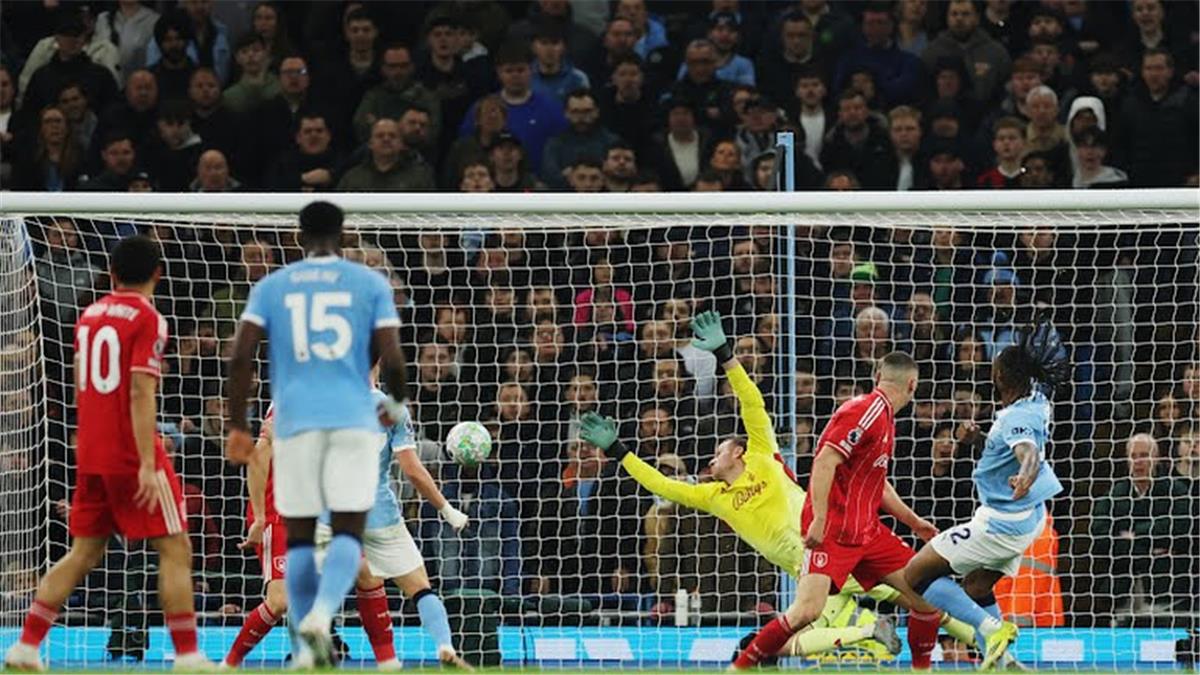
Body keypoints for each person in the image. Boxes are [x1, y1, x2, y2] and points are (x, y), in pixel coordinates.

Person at [579, 311, 914, 662]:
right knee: (819, 638)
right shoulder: (713, 496)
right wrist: (618, 451)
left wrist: (726, 355)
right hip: (809, 572)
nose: (711, 459)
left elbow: (752, 403)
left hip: (836, 546)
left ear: (738, 451)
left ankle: (903, 631)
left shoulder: (763, 455)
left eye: (719, 451)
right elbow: (661, 484)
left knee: (918, 593)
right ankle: (872, 634)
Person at [5, 235, 212, 671]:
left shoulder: (90, 315)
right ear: (158, 273)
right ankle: (188, 655)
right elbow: (140, 391)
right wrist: (148, 462)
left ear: (112, 274)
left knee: (83, 553)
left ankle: (25, 646)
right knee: (176, 548)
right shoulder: (148, 318)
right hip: (130, 451)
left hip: (92, 449)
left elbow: (80, 382)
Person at [224, 201, 409, 667]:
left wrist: (238, 425)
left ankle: (308, 643)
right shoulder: (369, 283)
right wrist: (394, 407)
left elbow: (241, 356)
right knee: (349, 534)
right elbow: (392, 356)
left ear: (297, 237)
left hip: (297, 421)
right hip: (349, 419)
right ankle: (322, 616)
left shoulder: (273, 285)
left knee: (303, 538)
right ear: (343, 236)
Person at [731, 350, 944, 670]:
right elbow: (824, 461)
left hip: (868, 533)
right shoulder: (865, 410)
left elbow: (878, 484)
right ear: (912, 385)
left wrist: (914, 522)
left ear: (877, 376)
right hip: (835, 530)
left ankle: (920, 670)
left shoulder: (885, 419)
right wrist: (819, 518)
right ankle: (738, 668)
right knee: (806, 612)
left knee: (927, 601)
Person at [903, 318, 1071, 669]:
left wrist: (1025, 476)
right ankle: (1003, 662)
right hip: (1029, 517)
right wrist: (977, 439)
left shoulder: (1015, 419)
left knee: (915, 576)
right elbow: (1014, 447)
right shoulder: (1037, 401)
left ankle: (992, 628)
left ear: (999, 377)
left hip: (1001, 522)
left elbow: (1028, 452)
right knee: (977, 588)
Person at [314, 382, 471, 670]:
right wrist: (448, 511)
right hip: (379, 516)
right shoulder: (392, 409)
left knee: (312, 587)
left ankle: (316, 638)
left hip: (331, 513)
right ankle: (445, 646)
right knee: (420, 588)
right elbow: (412, 470)